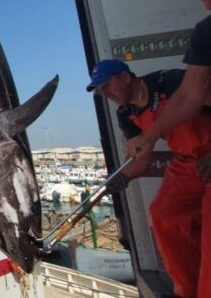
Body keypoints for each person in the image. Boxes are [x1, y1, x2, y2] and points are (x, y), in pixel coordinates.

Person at [87, 59, 211, 298]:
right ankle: (186, 291)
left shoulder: (172, 82)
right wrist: (122, 177)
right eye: (100, 90)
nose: (105, 93)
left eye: (107, 85)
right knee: (163, 215)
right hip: (187, 164)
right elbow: (141, 158)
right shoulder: (126, 114)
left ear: (125, 76)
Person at [127, 0, 211, 184]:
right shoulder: (205, 33)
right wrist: (150, 138)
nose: (208, 6)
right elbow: (188, 95)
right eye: (201, 0)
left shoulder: (166, 80)